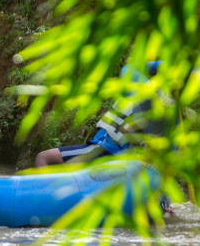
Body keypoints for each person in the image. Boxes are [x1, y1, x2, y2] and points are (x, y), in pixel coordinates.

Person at [35, 61, 168, 167]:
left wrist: (159, 64)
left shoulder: (141, 88)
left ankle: (42, 199)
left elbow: (128, 69)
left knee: (43, 158)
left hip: (106, 149)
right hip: (131, 163)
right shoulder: (171, 115)